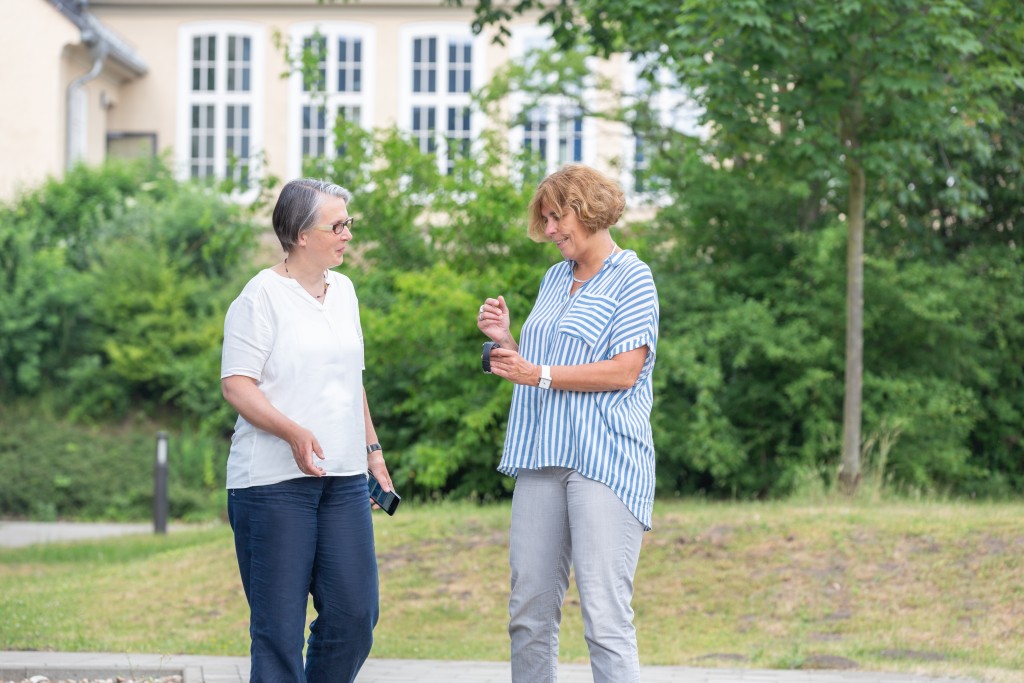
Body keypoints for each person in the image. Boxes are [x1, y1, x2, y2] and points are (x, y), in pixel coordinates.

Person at [477, 164, 659, 683]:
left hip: (603, 462)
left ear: (589, 209)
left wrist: (538, 372)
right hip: (541, 457)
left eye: (558, 217)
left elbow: (625, 370)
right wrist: (507, 343)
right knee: (527, 613)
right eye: (547, 220)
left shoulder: (632, 277)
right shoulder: (554, 279)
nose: (551, 230)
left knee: (604, 617)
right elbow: (538, 369)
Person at [220, 178, 394, 683]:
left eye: (348, 224)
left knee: (355, 616)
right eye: (337, 226)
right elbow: (237, 385)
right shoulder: (260, 297)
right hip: (271, 484)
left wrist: (373, 453)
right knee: (277, 631)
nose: (347, 235)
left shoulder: (344, 292)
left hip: (342, 480)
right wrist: (293, 432)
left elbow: (350, 378)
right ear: (299, 233)